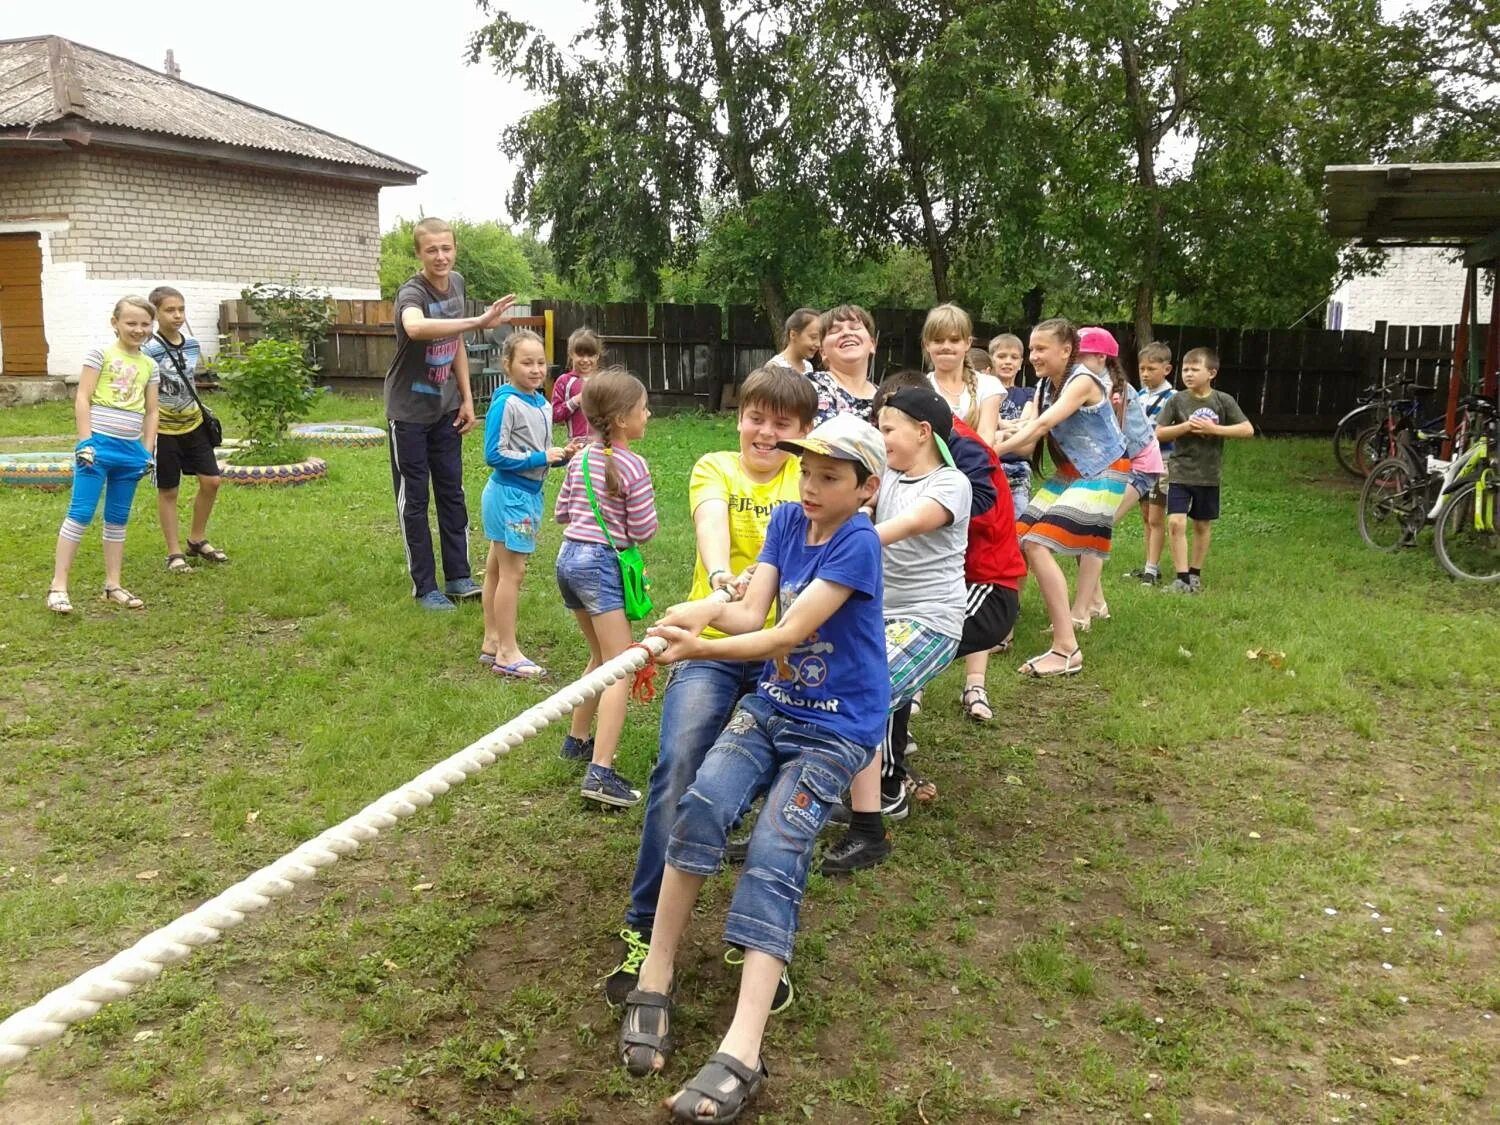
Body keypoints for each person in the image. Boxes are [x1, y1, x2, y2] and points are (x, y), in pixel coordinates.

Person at [616, 413, 889, 1123]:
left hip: (834, 731)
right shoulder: (789, 525)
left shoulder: (858, 543)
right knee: (701, 802)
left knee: (774, 847)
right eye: (808, 471)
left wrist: (696, 649)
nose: (812, 485)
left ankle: (743, 1046)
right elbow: (751, 613)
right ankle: (657, 971)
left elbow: (790, 633)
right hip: (773, 708)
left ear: (867, 488)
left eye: (830, 476)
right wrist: (692, 620)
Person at [604, 365, 817, 1009]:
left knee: (780, 797)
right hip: (711, 641)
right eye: (757, 417)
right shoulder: (713, 466)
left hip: (788, 653)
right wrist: (724, 579)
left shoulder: (807, 482)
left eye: (783, 425)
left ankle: (757, 939)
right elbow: (710, 526)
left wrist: (750, 589)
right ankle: (644, 928)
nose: (765, 432)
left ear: (805, 435)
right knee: (679, 767)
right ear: (740, 416)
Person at [822, 387, 970, 874]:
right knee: (851, 695)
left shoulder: (949, 484)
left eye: (887, 429)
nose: (880, 438)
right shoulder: (888, 480)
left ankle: (865, 827)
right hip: (882, 617)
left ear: (923, 432)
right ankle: (860, 810)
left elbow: (906, 526)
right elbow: (857, 510)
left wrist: (840, 542)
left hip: (931, 622)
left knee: (862, 696)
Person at [385, 217, 513, 611]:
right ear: (418, 254)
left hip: (445, 410)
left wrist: (467, 397)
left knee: (452, 494)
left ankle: (458, 576)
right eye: (431, 250)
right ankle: (425, 587)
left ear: (455, 249)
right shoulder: (412, 292)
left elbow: (454, 341)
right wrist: (478, 321)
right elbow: (417, 327)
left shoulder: (455, 283)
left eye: (446, 248)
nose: (440, 257)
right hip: (408, 414)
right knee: (416, 501)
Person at [993, 319, 1128, 679]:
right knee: (1017, 540)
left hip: (1104, 471)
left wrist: (992, 452)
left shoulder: (1082, 380)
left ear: (1066, 350)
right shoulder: (1042, 387)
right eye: (1031, 348)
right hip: (1071, 473)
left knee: (1037, 544)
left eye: (1040, 349)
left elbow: (1039, 427)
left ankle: (1066, 649)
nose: (1033, 356)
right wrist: (987, 437)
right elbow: (1026, 430)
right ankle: (1000, 631)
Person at [554, 368, 659, 807]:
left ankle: (577, 741)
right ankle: (601, 772)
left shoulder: (578, 458)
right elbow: (644, 529)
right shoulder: (633, 465)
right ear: (620, 419)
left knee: (599, 657)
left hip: (568, 560)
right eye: (642, 409)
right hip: (599, 565)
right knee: (620, 666)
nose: (648, 415)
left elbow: (562, 512)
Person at [47, 295, 160, 614]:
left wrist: (146, 452)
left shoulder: (150, 365)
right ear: (115, 323)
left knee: (117, 518)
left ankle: (113, 584)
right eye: (131, 323)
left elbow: (152, 411)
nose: (138, 329)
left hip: (130, 453)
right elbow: (82, 397)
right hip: (97, 448)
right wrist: (85, 443)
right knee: (80, 513)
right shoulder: (101, 354)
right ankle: (58, 586)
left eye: (144, 324)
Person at [481, 329, 581, 678]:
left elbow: (539, 453)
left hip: (527, 495)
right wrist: (540, 456)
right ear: (507, 365)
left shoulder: (540, 402)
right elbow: (493, 453)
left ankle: (492, 641)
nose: (536, 369)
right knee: (513, 572)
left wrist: (561, 457)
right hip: (510, 497)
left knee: (496, 569)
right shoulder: (505, 402)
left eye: (540, 362)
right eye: (527, 362)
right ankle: (507, 653)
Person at [1072, 327, 1162, 625]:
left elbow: (1115, 440)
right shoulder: (1091, 383)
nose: (1073, 361)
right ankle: (1096, 605)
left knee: (1093, 531)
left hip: (1139, 466)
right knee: (1081, 532)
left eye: (1079, 355)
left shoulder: (1110, 389)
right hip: (1115, 465)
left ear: (1100, 357)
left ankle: (1083, 612)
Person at [1153, 347, 1254, 593]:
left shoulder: (1223, 400)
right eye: (1185, 369)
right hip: (1179, 471)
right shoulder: (1177, 400)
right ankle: (1181, 578)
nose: (1188, 374)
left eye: (1194, 369)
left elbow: (1247, 430)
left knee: (1201, 525)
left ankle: (1195, 573)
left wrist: (1214, 429)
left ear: (1211, 373)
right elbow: (1159, 432)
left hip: (1208, 474)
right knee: (1176, 523)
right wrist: (1186, 426)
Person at [144, 286, 227, 572]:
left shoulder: (192, 344)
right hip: (163, 430)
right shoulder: (148, 348)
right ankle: (174, 552)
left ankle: (196, 539)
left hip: (193, 424)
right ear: (155, 313)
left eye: (181, 309)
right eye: (170, 310)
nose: (177, 315)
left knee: (211, 481)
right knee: (169, 490)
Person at [1127, 342, 1176, 585]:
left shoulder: (1173, 398)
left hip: (1163, 462)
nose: (1145, 374)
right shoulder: (1138, 395)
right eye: (1142, 369)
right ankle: (1149, 563)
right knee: (1146, 515)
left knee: (1157, 517)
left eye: (1151, 369)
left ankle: (1152, 569)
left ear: (1166, 369)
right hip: (1141, 463)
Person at [924, 303, 1002, 445]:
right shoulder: (920, 388)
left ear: (968, 343)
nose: (946, 346)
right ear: (927, 344)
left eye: (954, 340)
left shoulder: (989, 385)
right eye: (938, 340)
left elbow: (986, 439)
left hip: (978, 464)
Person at [808, 305, 879, 424]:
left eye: (855, 327)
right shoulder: (807, 388)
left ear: (872, 344)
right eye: (834, 330)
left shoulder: (886, 398)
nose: (846, 333)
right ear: (823, 352)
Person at [990, 332, 1034, 520]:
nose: (1008, 362)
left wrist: (1000, 428)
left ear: (1021, 362)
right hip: (990, 466)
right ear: (991, 359)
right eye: (1001, 356)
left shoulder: (1028, 393)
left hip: (1018, 469)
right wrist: (1014, 427)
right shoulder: (985, 393)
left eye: (1014, 357)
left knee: (1019, 523)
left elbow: (1028, 425)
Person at [552, 326, 602, 442]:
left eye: (590, 355)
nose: (585, 360)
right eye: (580, 355)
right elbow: (555, 415)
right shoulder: (563, 381)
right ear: (571, 354)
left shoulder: (603, 381)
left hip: (601, 444)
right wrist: (576, 400)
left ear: (597, 356)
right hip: (576, 445)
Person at [769, 308, 822, 374]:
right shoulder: (775, 368)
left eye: (820, 339)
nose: (818, 344)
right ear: (793, 335)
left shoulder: (808, 367)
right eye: (813, 337)